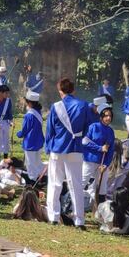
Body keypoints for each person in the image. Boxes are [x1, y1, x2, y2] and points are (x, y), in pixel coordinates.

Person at [45, 77, 92, 229]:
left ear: (60, 91)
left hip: (57, 148)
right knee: (76, 185)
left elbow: (50, 129)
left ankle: (53, 216)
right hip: (75, 147)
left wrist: (48, 147)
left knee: (54, 183)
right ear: (73, 90)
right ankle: (79, 220)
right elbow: (87, 127)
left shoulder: (55, 106)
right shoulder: (83, 105)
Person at [81, 105, 115, 204]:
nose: (108, 118)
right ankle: (69, 202)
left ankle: (99, 206)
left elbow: (111, 149)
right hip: (90, 160)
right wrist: (100, 148)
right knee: (83, 181)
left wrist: (106, 164)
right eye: (106, 116)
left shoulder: (111, 131)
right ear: (101, 117)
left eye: (110, 116)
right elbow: (85, 141)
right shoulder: (93, 127)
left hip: (102, 163)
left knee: (102, 185)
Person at [17, 91, 44, 183]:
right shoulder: (38, 112)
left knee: (30, 163)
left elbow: (25, 130)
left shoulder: (29, 115)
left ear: (29, 102)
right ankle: (39, 178)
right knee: (37, 161)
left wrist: (19, 134)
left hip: (30, 142)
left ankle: (32, 181)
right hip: (38, 141)